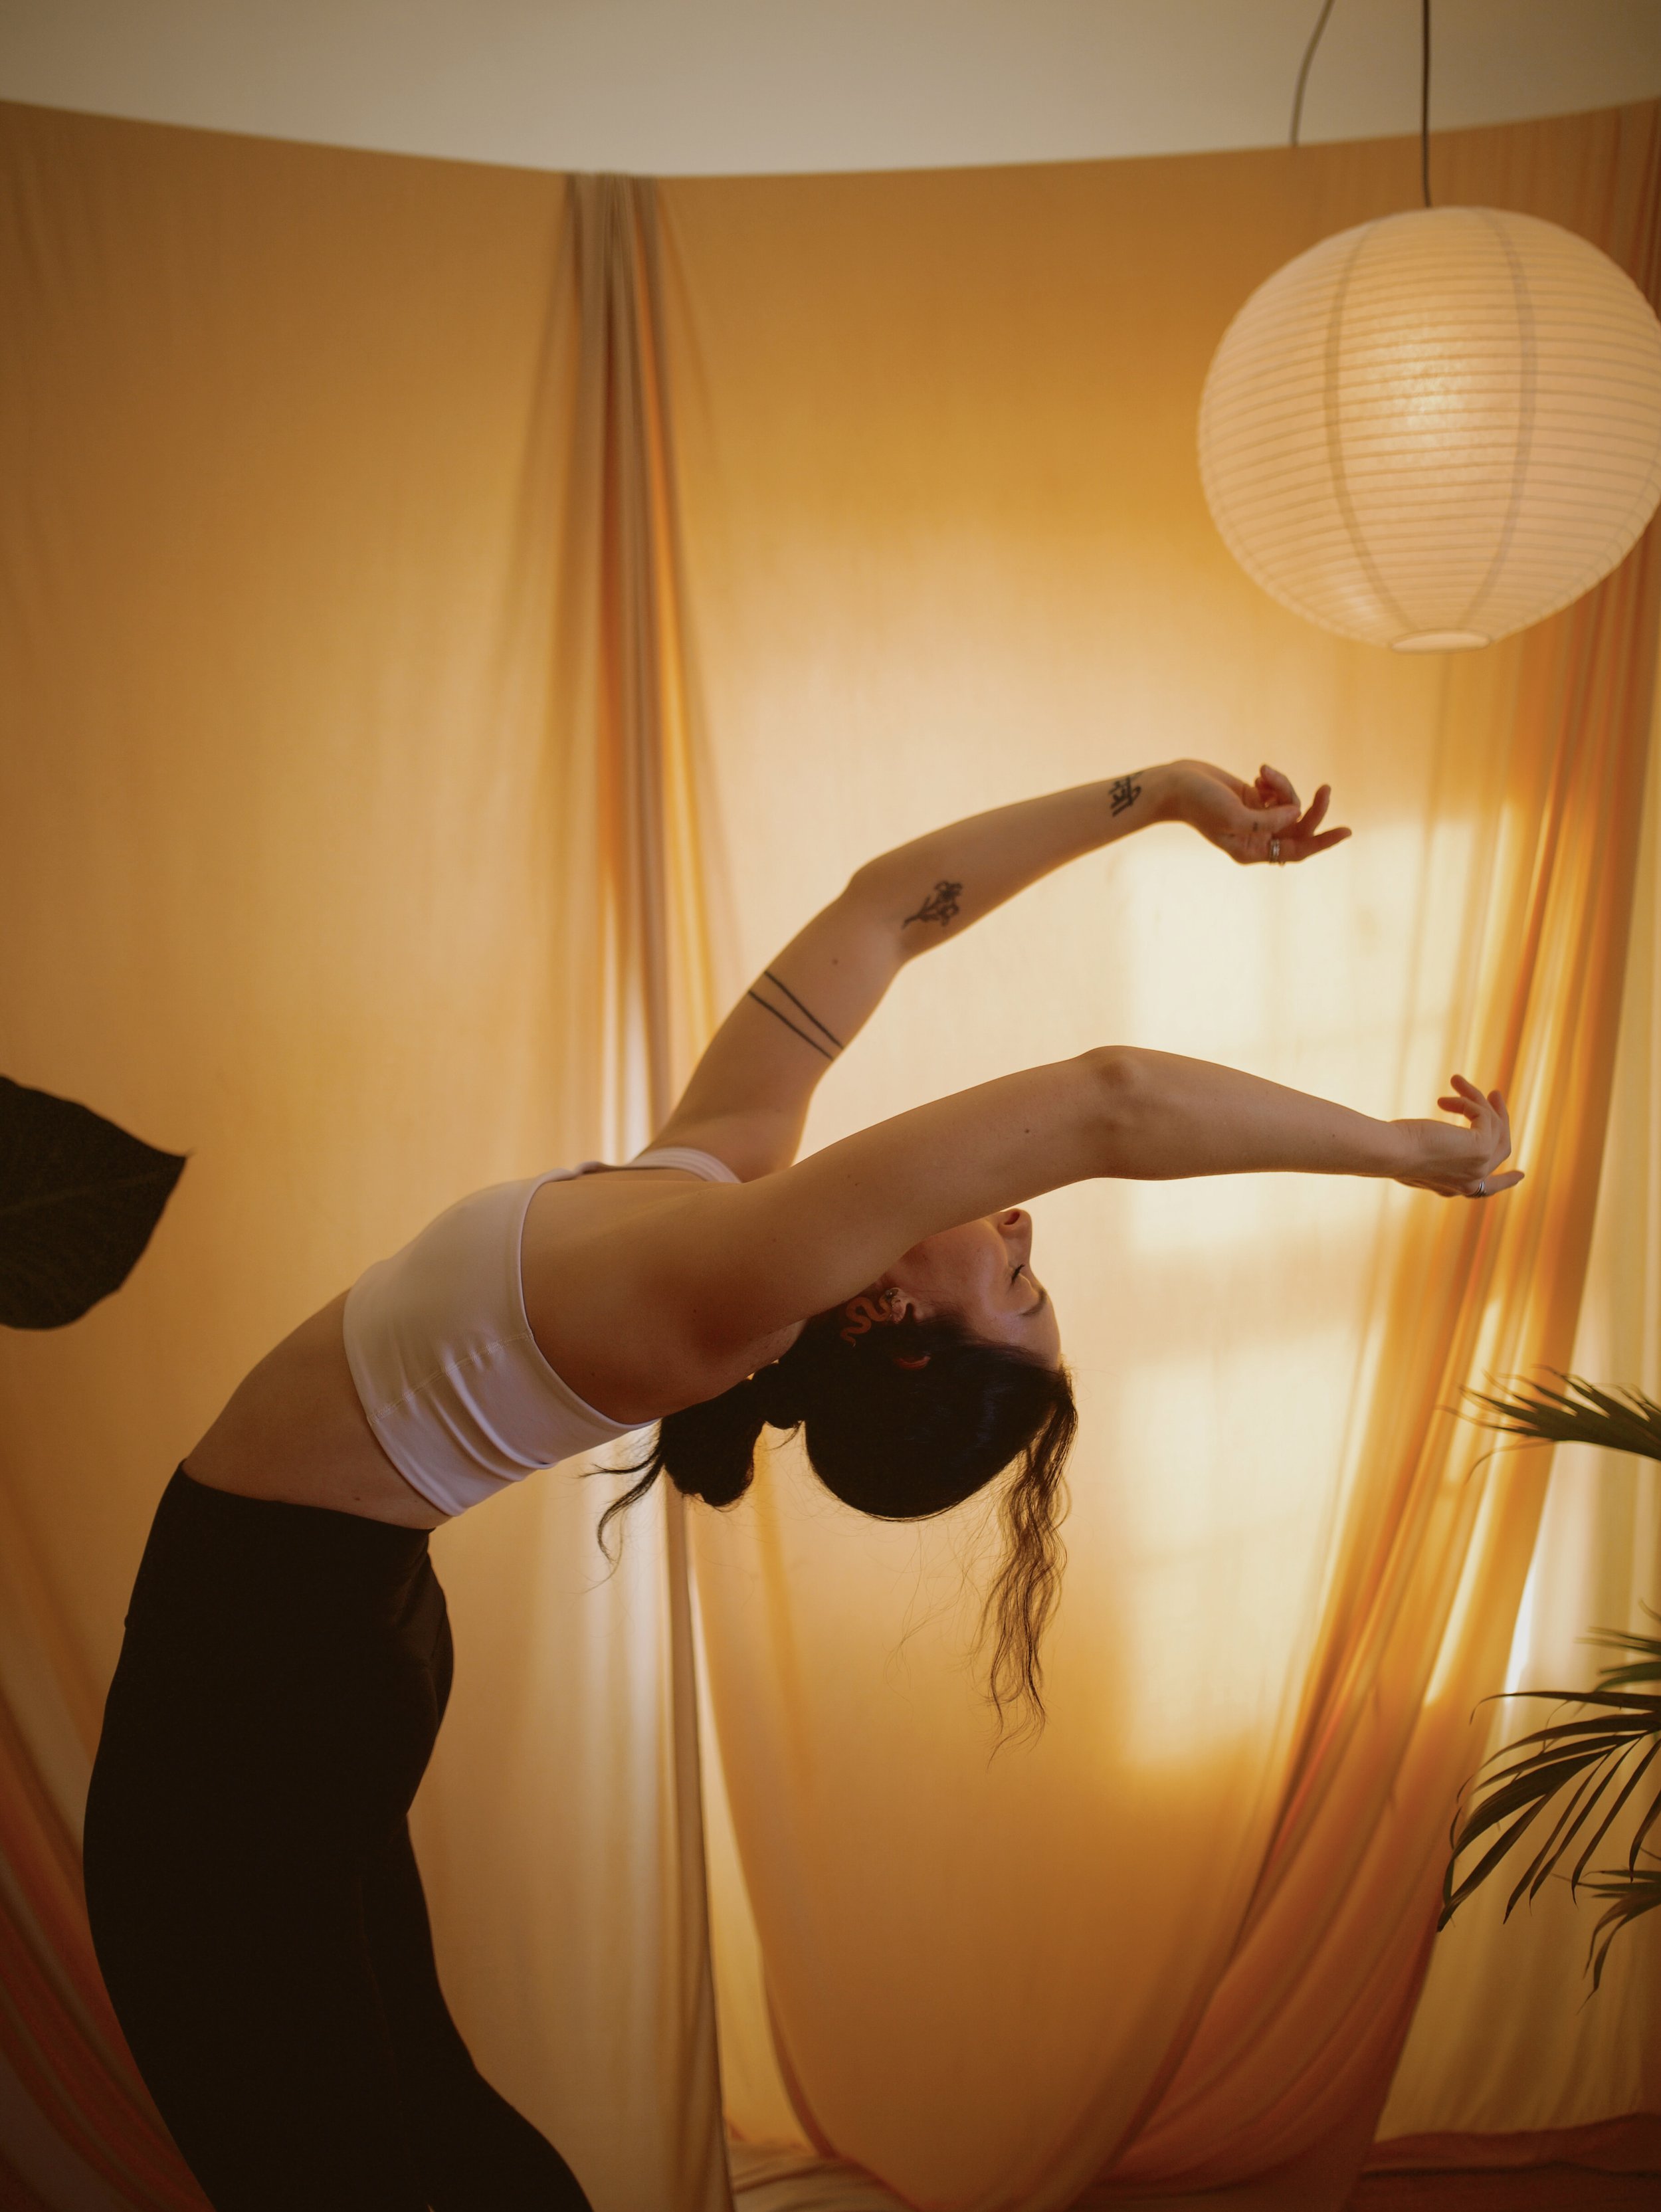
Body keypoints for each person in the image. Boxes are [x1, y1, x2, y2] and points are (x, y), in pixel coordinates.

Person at [83, 758, 1520, 2212]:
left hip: (262, 1668)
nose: (1017, 1223)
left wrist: (1409, 1156)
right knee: (409, 2138)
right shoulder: (714, 1186)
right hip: (314, 1642)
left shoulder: (738, 1289)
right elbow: (888, 911)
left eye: (1016, 1279)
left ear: (889, 1332)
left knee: (325, 2153)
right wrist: (1161, 800)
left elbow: (1105, 1104)